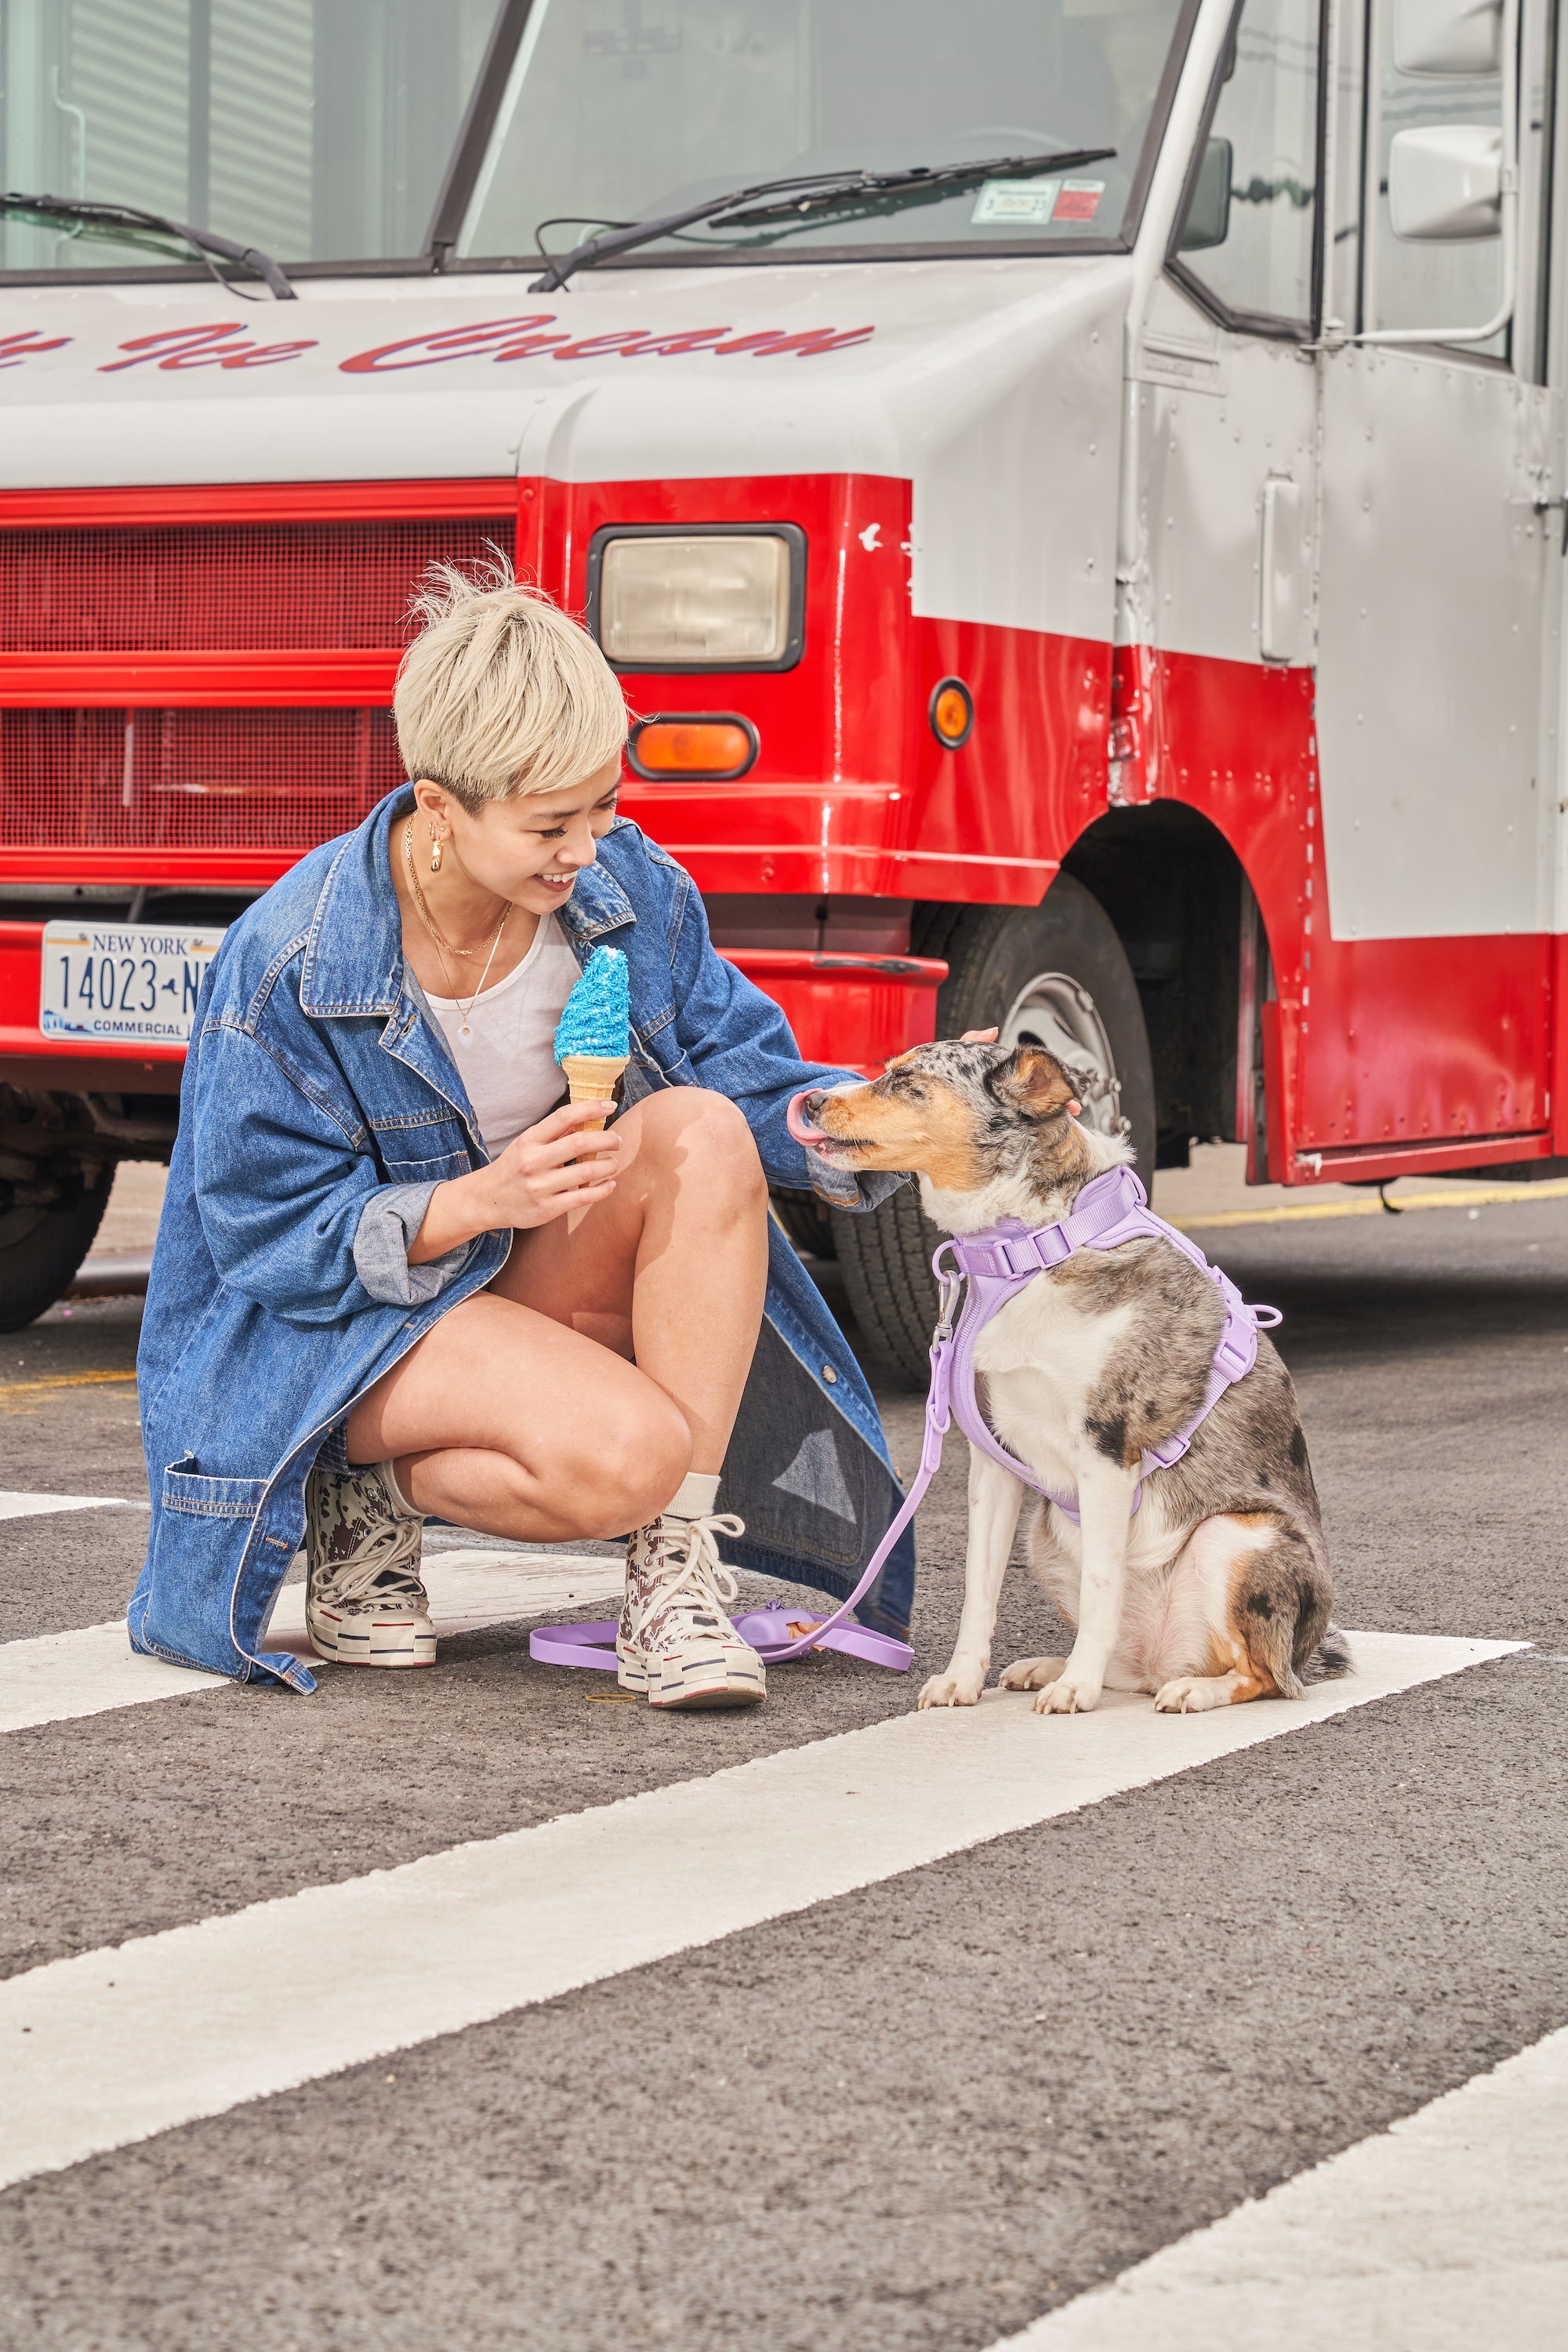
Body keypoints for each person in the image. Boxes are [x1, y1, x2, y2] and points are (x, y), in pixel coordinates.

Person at [129, 563, 916, 1710]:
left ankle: (663, 1572)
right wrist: (479, 1201)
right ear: (439, 808)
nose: (587, 849)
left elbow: (746, 1076)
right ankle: (348, 1479)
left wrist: (882, 1122)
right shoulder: (292, 962)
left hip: (512, 1278)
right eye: (551, 823)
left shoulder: (623, 891)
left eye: (602, 807)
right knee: (626, 1457)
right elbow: (262, 1240)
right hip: (332, 1332)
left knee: (697, 1130)